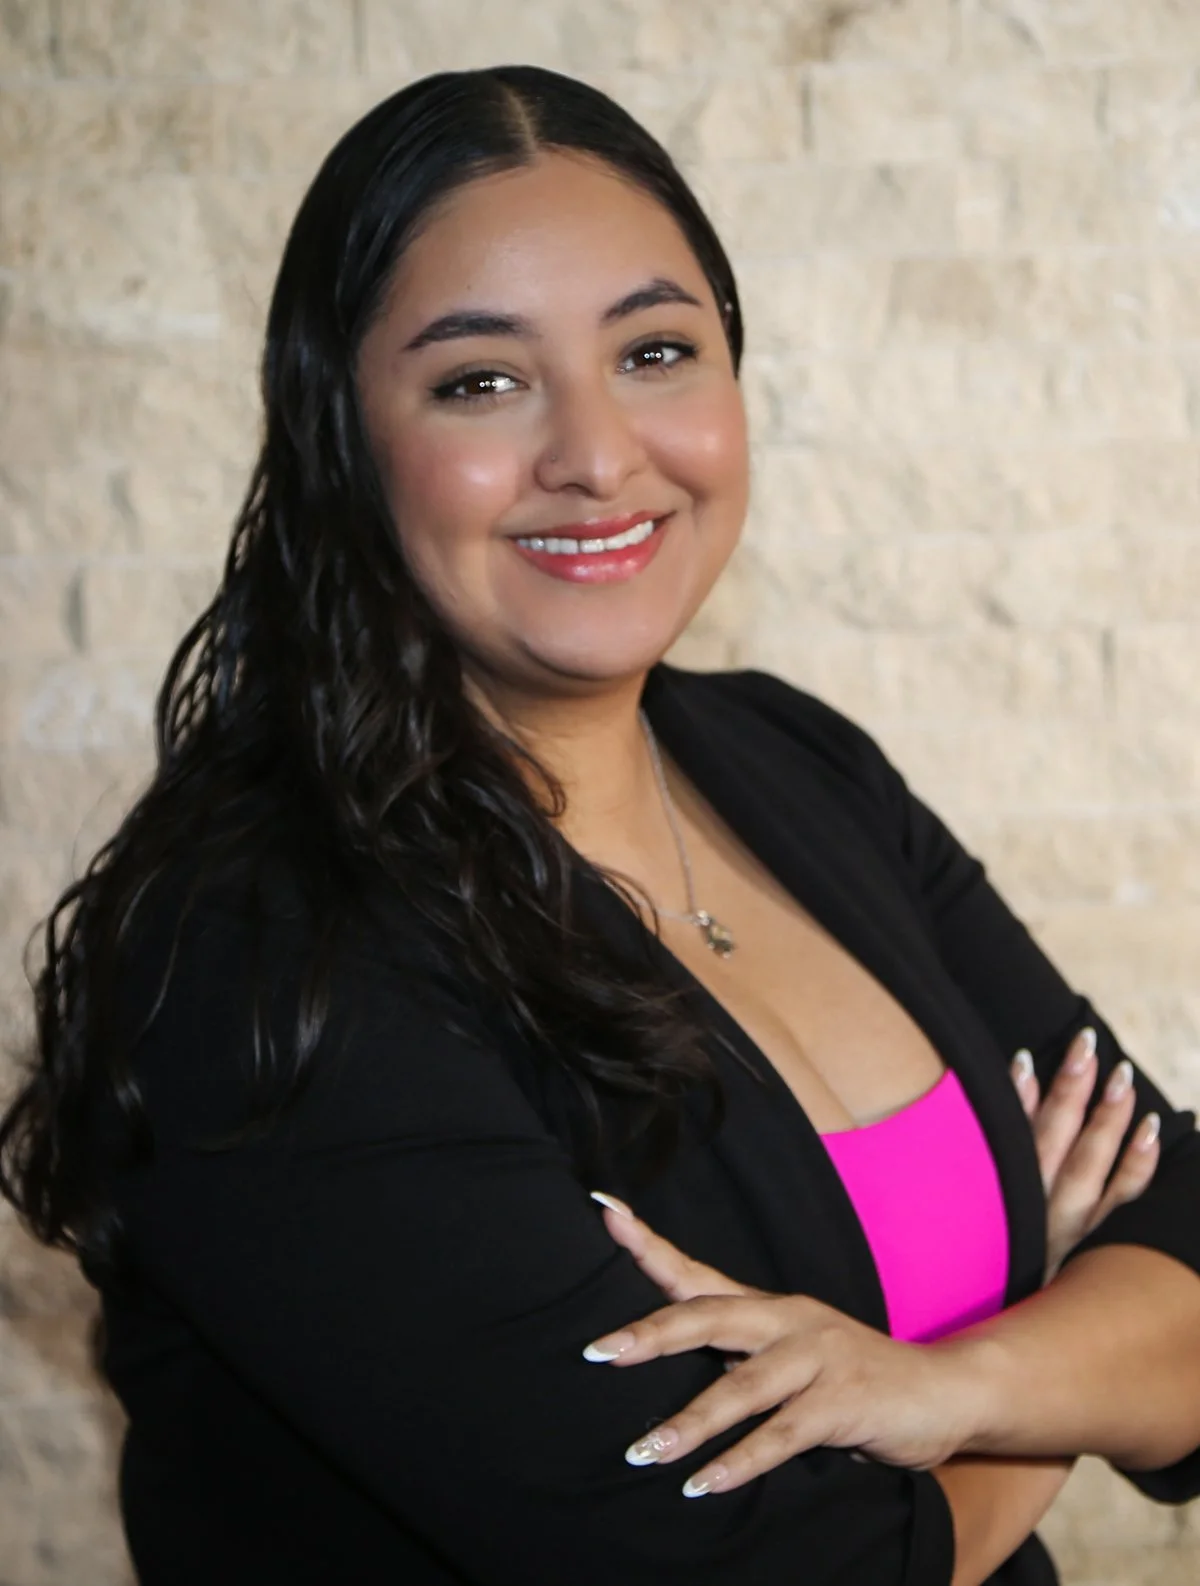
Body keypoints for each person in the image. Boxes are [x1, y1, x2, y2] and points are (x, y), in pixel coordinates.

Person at [2, 64, 1199, 1586]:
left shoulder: (793, 761)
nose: (597, 452)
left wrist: (947, 1386)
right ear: (339, 438)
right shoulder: (262, 963)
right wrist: (1054, 1355)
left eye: (654, 351)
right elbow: (764, 1570)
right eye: (480, 381)